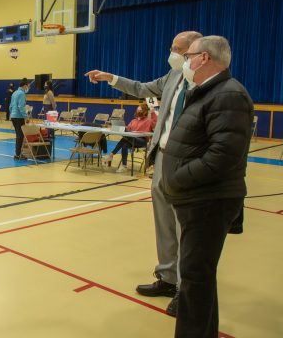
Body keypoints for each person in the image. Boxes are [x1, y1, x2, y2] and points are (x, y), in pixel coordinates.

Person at [84, 31, 203, 314]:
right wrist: (109, 77)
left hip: (187, 160)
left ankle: (187, 290)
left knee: (183, 225)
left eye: (177, 49)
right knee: (163, 221)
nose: (171, 53)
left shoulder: (205, 83)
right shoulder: (172, 76)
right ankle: (167, 277)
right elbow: (141, 88)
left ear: (195, 52)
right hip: (162, 156)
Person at [158, 36, 252, 337]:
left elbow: (223, 155)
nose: (185, 60)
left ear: (205, 58)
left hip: (208, 201)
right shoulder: (207, 92)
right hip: (197, 199)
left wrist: (178, 178)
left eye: (189, 55)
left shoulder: (228, 95)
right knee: (199, 278)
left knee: (196, 278)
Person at [103, 103, 157, 173]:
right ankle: (124, 166)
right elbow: (127, 129)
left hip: (142, 141)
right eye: (138, 110)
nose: (138, 111)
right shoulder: (133, 121)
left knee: (126, 138)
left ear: (145, 112)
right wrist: (120, 128)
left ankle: (111, 155)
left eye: (140, 110)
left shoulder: (148, 121)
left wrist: (153, 113)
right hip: (131, 139)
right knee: (125, 144)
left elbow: (155, 123)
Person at [9, 78, 29, 160]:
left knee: (19, 135)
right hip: (19, 117)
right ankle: (18, 154)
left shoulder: (14, 93)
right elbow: (21, 106)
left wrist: (12, 114)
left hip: (13, 117)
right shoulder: (21, 94)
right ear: (25, 86)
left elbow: (10, 106)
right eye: (28, 86)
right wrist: (26, 116)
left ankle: (18, 153)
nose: (28, 88)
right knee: (20, 136)